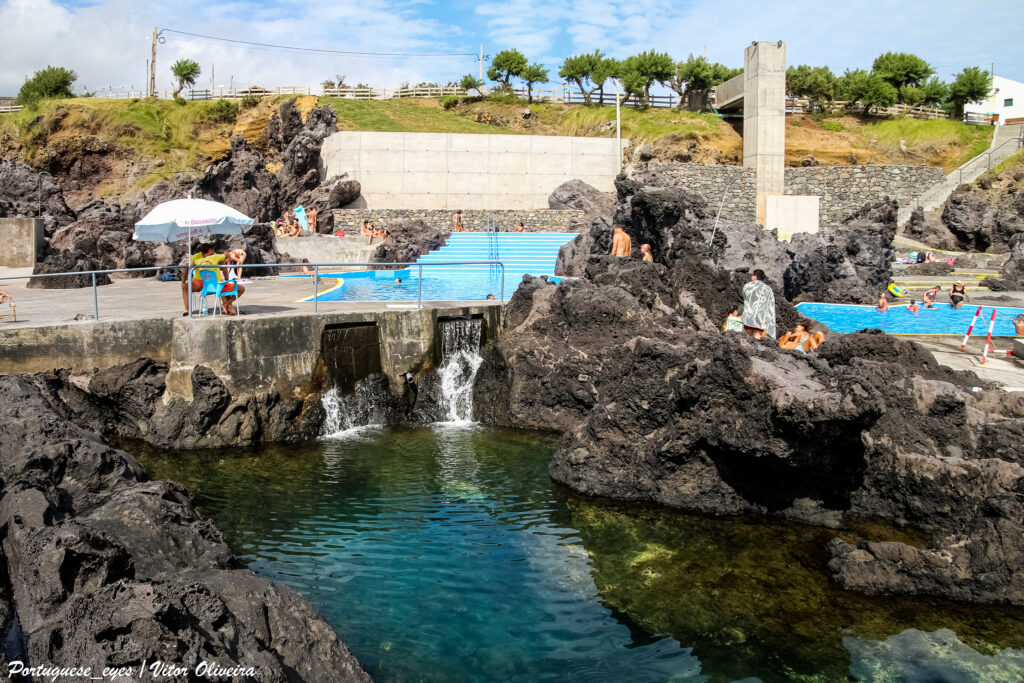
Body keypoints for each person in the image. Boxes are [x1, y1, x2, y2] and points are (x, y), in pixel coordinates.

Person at [186, 243, 246, 316]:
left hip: (208, 287)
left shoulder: (198, 261)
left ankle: (228, 307)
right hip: (219, 286)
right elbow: (227, 255)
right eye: (213, 250)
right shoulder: (215, 257)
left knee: (223, 287)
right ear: (211, 250)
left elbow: (191, 266)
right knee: (240, 289)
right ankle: (226, 304)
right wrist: (227, 257)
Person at [741, 269, 776, 339]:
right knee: (758, 335)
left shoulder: (747, 286)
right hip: (761, 317)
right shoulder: (768, 289)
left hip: (749, 315)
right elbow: (771, 305)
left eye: (752, 275)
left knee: (748, 336)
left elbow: (744, 297)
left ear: (755, 276)